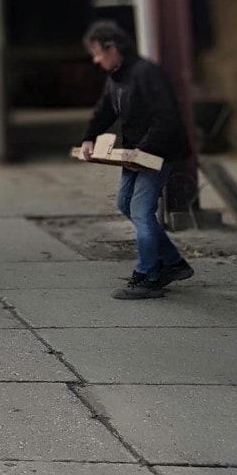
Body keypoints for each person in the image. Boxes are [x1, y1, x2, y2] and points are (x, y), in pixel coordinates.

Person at [80, 21, 194, 300]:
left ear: (112, 48)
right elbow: (105, 110)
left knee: (141, 211)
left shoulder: (146, 73)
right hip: (135, 153)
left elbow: (167, 119)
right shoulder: (116, 77)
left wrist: (142, 151)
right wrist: (89, 137)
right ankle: (173, 263)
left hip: (158, 152)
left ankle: (147, 276)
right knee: (124, 203)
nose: (96, 61)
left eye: (98, 54)